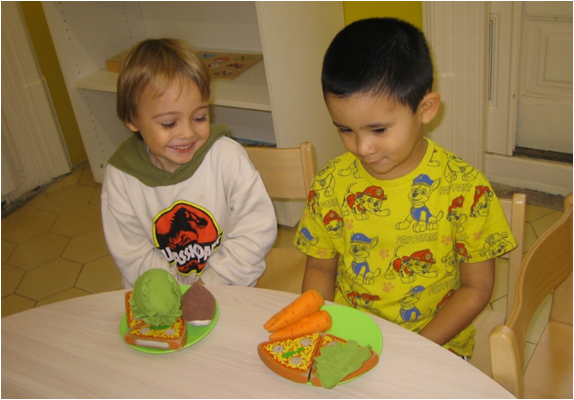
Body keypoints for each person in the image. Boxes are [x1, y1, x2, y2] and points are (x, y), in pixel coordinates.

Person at [294, 18, 517, 358]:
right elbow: (320, 268)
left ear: (425, 109)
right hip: (350, 333)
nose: (362, 147)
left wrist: (415, 350)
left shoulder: (465, 189)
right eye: (345, 129)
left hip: (436, 343)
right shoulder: (329, 184)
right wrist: (316, 325)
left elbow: (476, 288)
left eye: (378, 130)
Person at [101, 38, 277, 288]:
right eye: (169, 124)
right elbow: (132, 254)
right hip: (159, 291)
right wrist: (172, 292)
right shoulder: (121, 178)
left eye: (200, 117)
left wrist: (210, 284)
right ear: (132, 119)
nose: (187, 133)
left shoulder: (227, 157)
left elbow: (256, 229)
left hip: (229, 285)